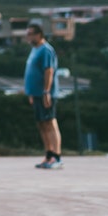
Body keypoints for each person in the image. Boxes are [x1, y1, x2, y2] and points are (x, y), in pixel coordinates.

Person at [24, 21, 64, 169]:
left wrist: (46, 91)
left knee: (50, 122)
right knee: (41, 124)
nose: (27, 37)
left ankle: (57, 157)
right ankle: (48, 155)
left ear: (38, 34)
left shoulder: (46, 50)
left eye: (30, 34)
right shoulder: (34, 50)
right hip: (35, 94)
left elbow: (49, 71)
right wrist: (31, 93)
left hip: (46, 94)